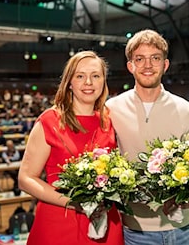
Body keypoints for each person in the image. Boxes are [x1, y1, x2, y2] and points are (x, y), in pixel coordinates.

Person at [18, 50, 124, 245]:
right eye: (80, 76)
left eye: (95, 76)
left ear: (103, 81)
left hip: (105, 224)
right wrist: (75, 203)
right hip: (59, 222)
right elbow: (25, 179)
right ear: (69, 82)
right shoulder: (49, 121)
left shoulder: (110, 119)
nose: (88, 83)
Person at [106, 29, 189, 245]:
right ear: (130, 66)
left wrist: (186, 197)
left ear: (165, 65)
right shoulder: (111, 108)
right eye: (140, 59)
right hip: (135, 232)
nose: (148, 65)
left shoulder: (185, 109)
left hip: (181, 230)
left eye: (155, 58)